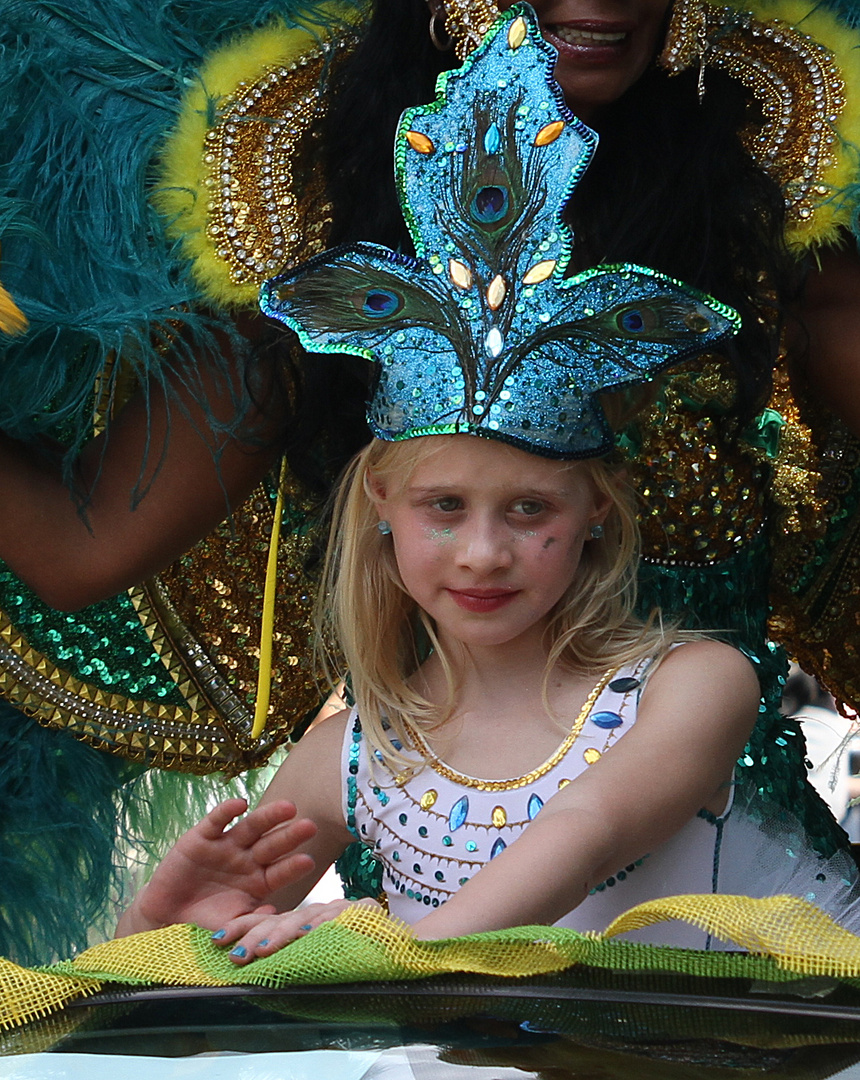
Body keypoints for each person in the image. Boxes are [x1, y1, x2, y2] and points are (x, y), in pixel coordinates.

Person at [2, 0, 860, 961]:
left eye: (529, 507)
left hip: (759, 991)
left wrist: (384, 948)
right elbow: (191, 968)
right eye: (443, 506)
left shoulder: (698, 689)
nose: (485, 550)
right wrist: (166, 935)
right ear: (381, 507)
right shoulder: (354, 761)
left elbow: (585, 830)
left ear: (598, 514)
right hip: (467, 1025)